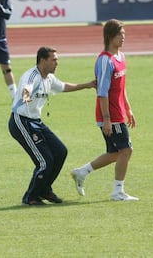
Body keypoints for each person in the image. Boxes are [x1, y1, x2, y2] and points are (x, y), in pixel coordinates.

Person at [9, 46, 96, 205]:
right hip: (21, 121)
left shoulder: (49, 78)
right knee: (45, 161)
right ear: (42, 60)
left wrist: (87, 85)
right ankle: (30, 197)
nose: (57, 63)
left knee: (60, 151)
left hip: (36, 121)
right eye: (54, 60)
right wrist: (26, 97)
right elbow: (26, 90)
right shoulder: (31, 76)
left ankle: (45, 190)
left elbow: (63, 86)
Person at [71, 19, 139, 201]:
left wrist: (129, 109)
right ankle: (118, 192)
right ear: (110, 36)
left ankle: (81, 172)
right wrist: (107, 119)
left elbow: (121, 88)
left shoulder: (121, 57)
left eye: (124, 34)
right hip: (111, 116)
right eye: (120, 34)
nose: (123, 38)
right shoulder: (104, 61)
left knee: (115, 153)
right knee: (126, 150)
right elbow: (102, 92)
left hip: (119, 113)